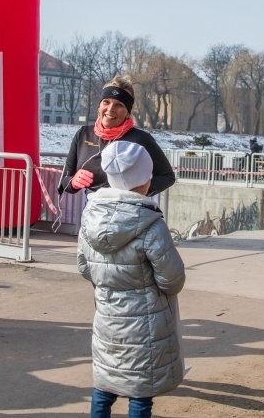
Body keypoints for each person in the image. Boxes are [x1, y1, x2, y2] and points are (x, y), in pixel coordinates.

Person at [77, 140, 186, 418]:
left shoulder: (89, 218)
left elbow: (84, 267)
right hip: (145, 326)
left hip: (106, 318)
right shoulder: (151, 224)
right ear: (145, 181)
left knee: (104, 385)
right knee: (140, 392)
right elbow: (172, 279)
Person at [58, 76, 175, 197]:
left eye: (119, 105)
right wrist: (73, 182)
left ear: (127, 112)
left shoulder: (141, 140)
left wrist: (140, 192)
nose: (110, 109)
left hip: (128, 211)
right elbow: (65, 182)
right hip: (92, 211)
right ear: (99, 106)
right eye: (106, 102)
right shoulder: (83, 134)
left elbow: (167, 176)